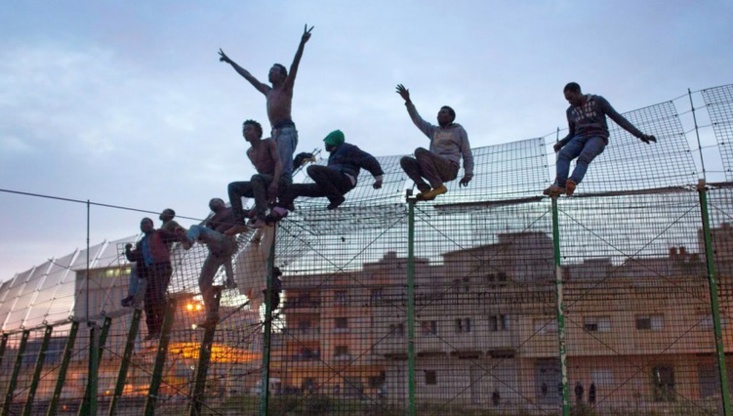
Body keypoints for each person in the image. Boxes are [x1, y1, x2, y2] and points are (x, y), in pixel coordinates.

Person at [218, 25, 314, 186]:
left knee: (284, 167)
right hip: (275, 132)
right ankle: (275, 192)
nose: (270, 73)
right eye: (269, 71)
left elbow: (294, 66)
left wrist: (302, 43)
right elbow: (248, 76)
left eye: (274, 71)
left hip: (286, 131)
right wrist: (230, 61)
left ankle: (286, 198)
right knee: (274, 167)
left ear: (282, 76)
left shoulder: (286, 88)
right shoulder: (268, 91)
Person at [543, 82, 657, 197]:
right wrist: (561, 143)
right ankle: (560, 185)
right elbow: (572, 133)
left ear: (578, 92)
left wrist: (640, 135)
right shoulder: (570, 111)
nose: (570, 102)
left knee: (584, 156)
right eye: (567, 100)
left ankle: (572, 181)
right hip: (579, 137)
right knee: (563, 154)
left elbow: (618, 118)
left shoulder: (597, 101)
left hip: (597, 137)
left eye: (571, 98)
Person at [395, 84, 474, 200]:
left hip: (449, 168)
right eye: (438, 112)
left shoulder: (458, 131)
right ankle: (425, 189)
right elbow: (418, 120)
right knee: (406, 161)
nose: (439, 114)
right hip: (432, 169)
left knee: (420, 151)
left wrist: (468, 174)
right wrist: (408, 101)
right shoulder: (434, 131)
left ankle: (438, 187)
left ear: (451, 117)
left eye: (443, 112)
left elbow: (467, 154)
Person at [277, 130, 384, 211]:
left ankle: (336, 198)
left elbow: (368, 159)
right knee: (294, 188)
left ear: (332, 141)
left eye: (327, 142)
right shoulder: (333, 156)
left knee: (312, 169)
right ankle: (279, 210)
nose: (325, 145)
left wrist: (378, 178)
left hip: (344, 179)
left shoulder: (348, 148)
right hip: (331, 187)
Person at [180, 198, 239, 328]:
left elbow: (248, 214)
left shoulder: (232, 210)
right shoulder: (212, 220)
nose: (213, 204)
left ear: (222, 203)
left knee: (196, 228)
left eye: (216, 201)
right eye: (211, 203)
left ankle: (188, 241)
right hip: (216, 251)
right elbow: (207, 238)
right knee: (203, 281)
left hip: (225, 239)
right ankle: (211, 315)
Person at [125, 217, 182, 340]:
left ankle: (162, 328)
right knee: (148, 301)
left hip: (162, 267)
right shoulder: (142, 242)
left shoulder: (160, 233)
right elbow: (133, 257)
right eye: (142, 224)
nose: (144, 225)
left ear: (151, 224)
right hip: (150, 271)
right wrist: (127, 250)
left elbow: (174, 237)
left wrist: (179, 233)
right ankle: (153, 330)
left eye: (146, 223)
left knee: (158, 295)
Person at [226, 119, 286, 233]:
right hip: (261, 183)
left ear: (258, 132)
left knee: (256, 178)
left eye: (249, 129)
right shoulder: (249, 152)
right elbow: (260, 173)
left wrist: (275, 183)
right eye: (244, 130)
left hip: (277, 180)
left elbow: (278, 162)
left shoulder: (268, 142)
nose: (245, 132)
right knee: (233, 186)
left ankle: (261, 218)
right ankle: (239, 223)